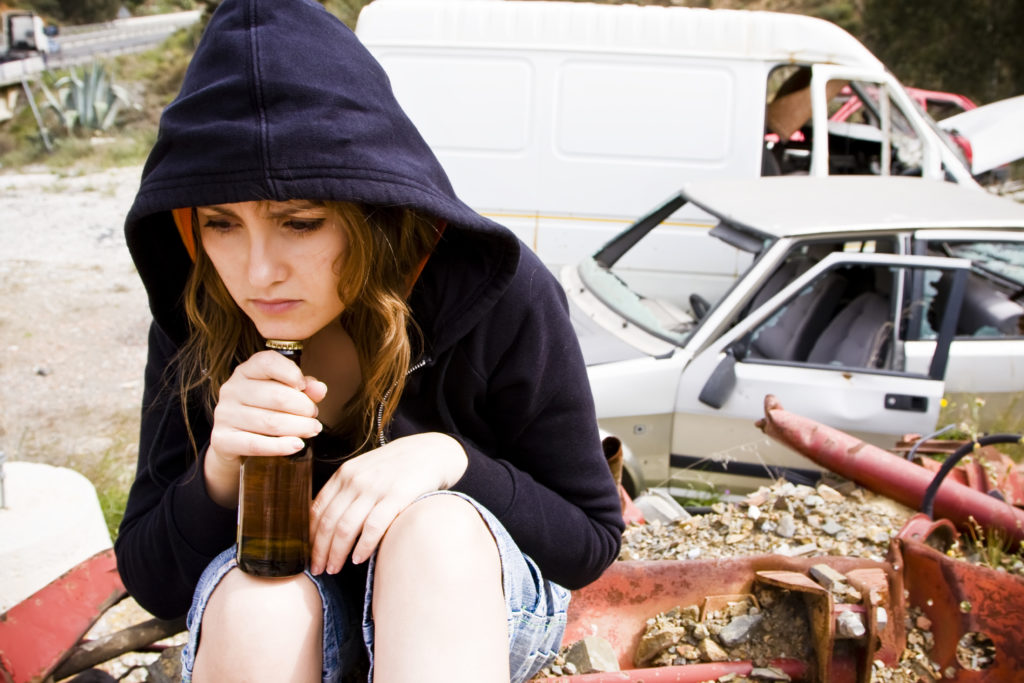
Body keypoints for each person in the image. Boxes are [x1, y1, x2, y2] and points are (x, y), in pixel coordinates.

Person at [114, 1, 624, 682]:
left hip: (468, 600)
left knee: (433, 535)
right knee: (257, 606)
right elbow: (153, 579)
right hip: (288, 621)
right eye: (221, 224)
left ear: (371, 208)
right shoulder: (198, 312)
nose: (256, 271)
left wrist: (448, 461)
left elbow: (588, 540)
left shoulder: (498, 293)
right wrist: (219, 470)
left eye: (299, 222)